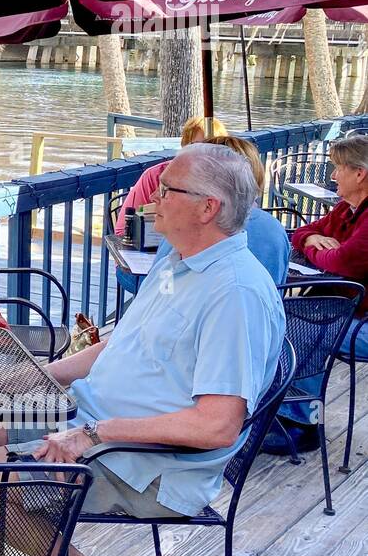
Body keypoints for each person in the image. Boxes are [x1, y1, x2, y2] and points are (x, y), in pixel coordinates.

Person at [0, 144, 284, 556]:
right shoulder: (178, 260)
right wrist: (35, 376)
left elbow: (216, 426)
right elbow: (115, 346)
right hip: (88, 413)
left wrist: (92, 435)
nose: (153, 197)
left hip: (145, 462)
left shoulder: (234, 294)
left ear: (207, 208)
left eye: (169, 189)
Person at [287, 134, 368, 447]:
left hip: (363, 322)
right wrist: (310, 241)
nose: (333, 176)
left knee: (304, 330)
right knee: (288, 316)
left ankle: (302, 426)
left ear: (359, 174)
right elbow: (304, 231)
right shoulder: (347, 209)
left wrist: (317, 251)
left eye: (338, 168)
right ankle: (285, 411)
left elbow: (342, 263)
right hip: (350, 310)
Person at [153, 136, 289, 285]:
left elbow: (161, 286)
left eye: (165, 189)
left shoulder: (184, 230)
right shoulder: (274, 229)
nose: (153, 196)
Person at [115, 116, 228, 236]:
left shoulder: (227, 181)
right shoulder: (156, 175)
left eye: (212, 147)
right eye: (197, 146)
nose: (204, 153)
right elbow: (124, 229)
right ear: (184, 146)